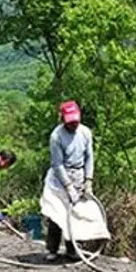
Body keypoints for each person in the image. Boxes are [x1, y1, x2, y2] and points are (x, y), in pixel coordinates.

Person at [42, 100, 95, 261]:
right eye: (70, 122)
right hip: (60, 178)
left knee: (76, 213)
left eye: (76, 121)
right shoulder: (56, 136)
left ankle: (72, 249)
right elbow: (57, 164)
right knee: (57, 214)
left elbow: (89, 157)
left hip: (78, 174)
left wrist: (88, 180)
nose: (73, 124)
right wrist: (68, 186)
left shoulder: (85, 133)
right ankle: (53, 248)